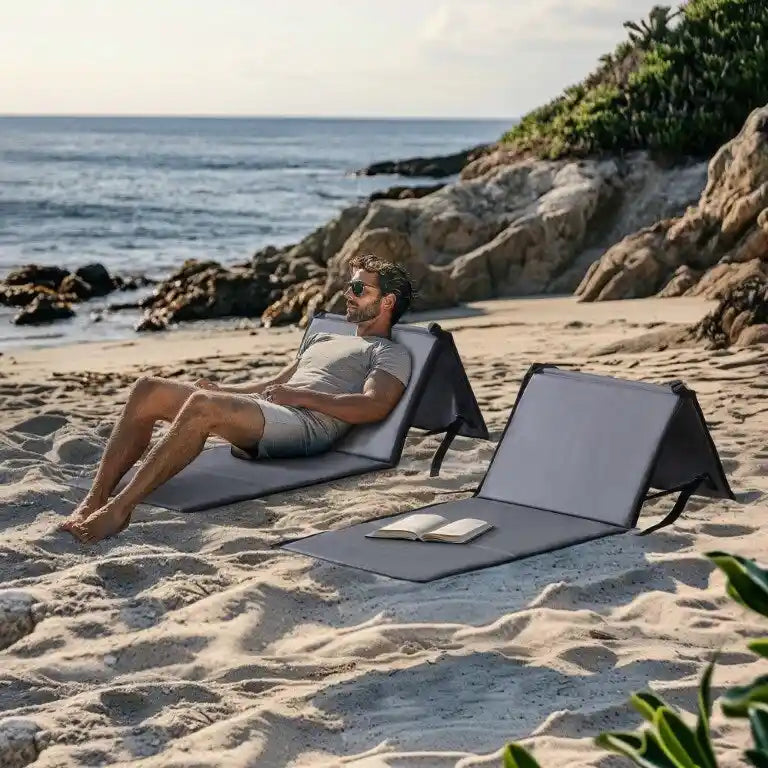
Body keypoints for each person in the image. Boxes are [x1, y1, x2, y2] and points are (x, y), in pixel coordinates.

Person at [61, 254, 414, 543]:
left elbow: (374, 405)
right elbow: (274, 384)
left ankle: (120, 509)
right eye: (347, 286)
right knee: (147, 389)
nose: (347, 294)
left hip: (307, 426)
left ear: (387, 301)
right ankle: (95, 497)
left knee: (202, 408)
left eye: (357, 288)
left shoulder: (389, 352)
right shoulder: (327, 339)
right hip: (276, 411)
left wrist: (301, 397)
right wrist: (226, 393)